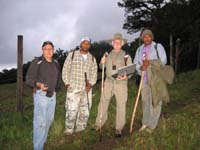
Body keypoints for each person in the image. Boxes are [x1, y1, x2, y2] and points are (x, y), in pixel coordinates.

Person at [94, 33, 132, 137]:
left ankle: (119, 128)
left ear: (122, 43)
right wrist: (102, 62)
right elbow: (101, 67)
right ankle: (99, 124)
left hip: (121, 84)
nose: (117, 43)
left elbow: (130, 69)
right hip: (108, 82)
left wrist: (127, 76)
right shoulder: (107, 54)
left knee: (121, 105)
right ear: (112, 43)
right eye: (115, 42)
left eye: (119, 42)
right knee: (103, 102)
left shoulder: (126, 55)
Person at [26, 41, 62, 150]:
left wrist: (57, 89)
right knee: (40, 123)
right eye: (46, 48)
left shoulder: (56, 62)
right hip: (41, 95)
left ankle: (42, 141)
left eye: (51, 48)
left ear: (53, 50)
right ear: (42, 50)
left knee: (48, 121)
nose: (48, 51)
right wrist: (39, 85)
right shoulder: (37, 62)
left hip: (52, 96)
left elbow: (58, 77)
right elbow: (29, 79)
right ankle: (38, 147)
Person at [62, 37, 97, 141]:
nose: (86, 45)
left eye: (88, 43)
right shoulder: (72, 55)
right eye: (84, 43)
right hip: (73, 88)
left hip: (86, 90)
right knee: (71, 111)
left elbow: (94, 73)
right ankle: (69, 132)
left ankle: (79, 131)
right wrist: (67, 83)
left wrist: (90, 85)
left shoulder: (92, 58)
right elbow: (65, 69)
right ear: (80, 44)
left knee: (85, 112)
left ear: (90, 45)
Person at [134, 29, 167, 133]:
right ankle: (145, 122)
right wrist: (141, 68)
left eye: (148, 36)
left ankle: (152, 126)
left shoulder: (158, 46)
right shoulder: (139, 49)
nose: (146, 38)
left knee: (156, 101)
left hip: (156, 79)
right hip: (143, 80)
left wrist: (149, 63)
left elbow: (163, 61)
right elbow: (136, 63)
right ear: (142, 38)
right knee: (145, 102)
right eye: (144, 37)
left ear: (152, 37)